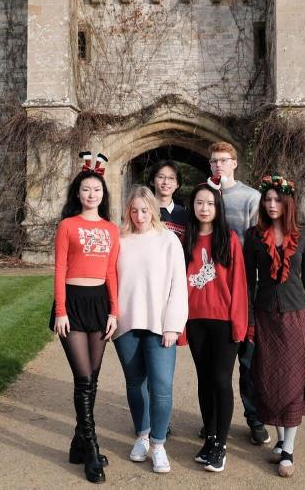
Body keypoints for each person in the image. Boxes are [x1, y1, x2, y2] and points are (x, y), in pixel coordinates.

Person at [243, 175, 305, 478]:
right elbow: (248, 283)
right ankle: (279, 440)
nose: (272, 204)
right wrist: (250, 321)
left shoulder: (303, 237)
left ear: (288, 202)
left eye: (277, 199)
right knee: (267, 379)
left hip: (295, 316)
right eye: (267, 200)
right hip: (265, 316)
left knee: (292, 380)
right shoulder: (254, 236)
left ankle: (288, 449)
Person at [50, 151, 119, 484]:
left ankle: (78, 444)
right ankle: (90, 447)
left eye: (97, 190)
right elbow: (60, 269)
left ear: (103, 195)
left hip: (99, 304)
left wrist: (115, 312)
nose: (92, 195)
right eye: (86, 189)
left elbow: (112, 273)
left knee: (93, 378)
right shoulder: (67, 225)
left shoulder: (111, 229)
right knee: (84, 379)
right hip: (73, 304)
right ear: (77, 193)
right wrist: (61, 311)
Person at [114, 186, 188, 474]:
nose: (139, 216)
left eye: (144, 210)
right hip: (126, 324)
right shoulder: (120, 240)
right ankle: (142, 437)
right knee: (135, 384)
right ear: (128, 211)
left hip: (160, 326)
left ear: (153, 210)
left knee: (161, 387)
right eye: (134, 210)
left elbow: (178, 287)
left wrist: (173, 326)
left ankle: (158, 444)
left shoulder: (168, 240)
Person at [184, 177, 248, 472]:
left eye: (210, 203)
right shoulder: (186, 240)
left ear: (218, 207)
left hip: (223, 322)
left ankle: (221, 445)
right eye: (199, 202)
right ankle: (209, 438)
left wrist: (239, 326)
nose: (204, 208)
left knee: (221, 380)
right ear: (192, 207)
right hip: (196, 321)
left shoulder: (229, 240)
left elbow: (239, 286)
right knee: (204, 381)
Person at [207, 141, 270, 445]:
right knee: (217, 361)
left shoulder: (250, 198)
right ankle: (214, 421)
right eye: (214, 161)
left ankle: (254, 418)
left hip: (246, 286)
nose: (218, 165)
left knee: (248, 359)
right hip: (215, 288)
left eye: (223, 160)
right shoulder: (206, 195)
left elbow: (257, 244)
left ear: (234, 163)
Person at [147, 159, 189, 238]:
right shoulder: (143, 211)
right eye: (161, 177)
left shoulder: (185, 215)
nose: (166, 182)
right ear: (152, 181)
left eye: (171, 178)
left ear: (177, 184)